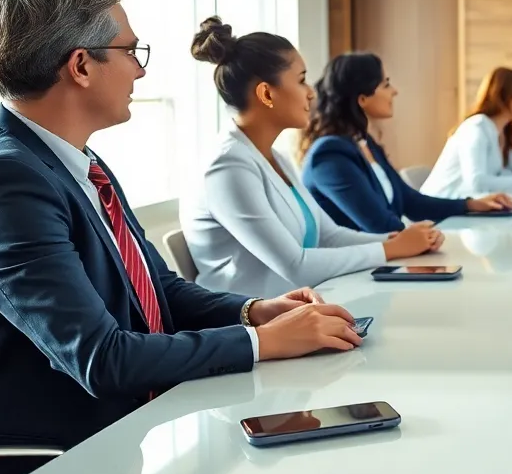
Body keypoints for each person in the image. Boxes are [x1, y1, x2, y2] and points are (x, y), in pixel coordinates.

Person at [0, 0, 363, 474]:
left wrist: (256, 312)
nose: (140, 74)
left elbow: (156, 289)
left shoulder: (77, 162)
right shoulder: (2, 184)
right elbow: (101, 358)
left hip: (125, 435)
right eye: (131, 52)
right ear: (81, 66)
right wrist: (266, 344)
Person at [180, 18, 443, 298]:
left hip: (300, 308)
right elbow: (296, 266)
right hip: (251, 327)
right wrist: (390, 249)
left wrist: (394, 240)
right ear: (267, 93)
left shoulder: (275, 157)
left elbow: (328, 236)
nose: (312, 92)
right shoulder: (227, 167)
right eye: (302, 80)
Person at [298, 52, 512, 233]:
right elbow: (378, 225)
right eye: (386, 84)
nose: (395, 91)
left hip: (383, 261)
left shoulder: (364, 143)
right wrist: (421, 237)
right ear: (362, 99)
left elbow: (411, 202)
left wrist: (472, 204)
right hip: (354, 275)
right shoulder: (329, 155)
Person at [420, 67, 512, 199]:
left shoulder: (500, 132)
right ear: (506, 95)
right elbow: (477, 182)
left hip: (462, 210)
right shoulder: (475, 128)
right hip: (438, 215)